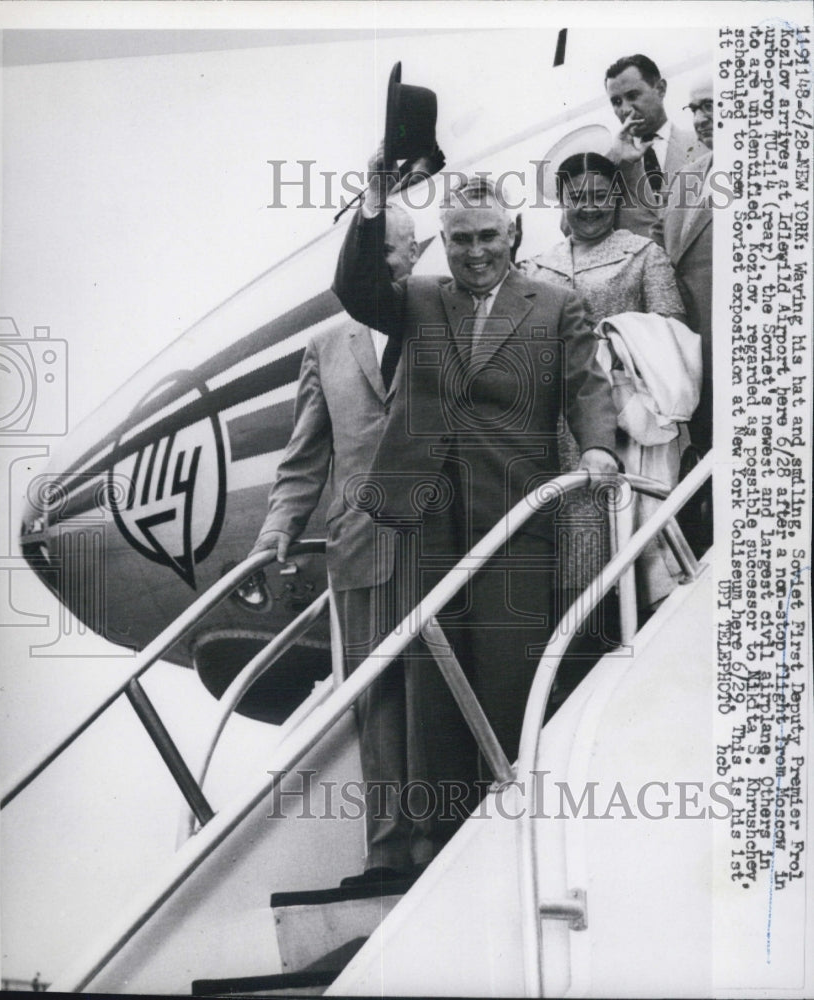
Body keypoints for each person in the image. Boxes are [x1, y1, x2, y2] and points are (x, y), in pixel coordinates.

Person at [333, 153, 619, 869]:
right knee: (432, 686)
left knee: (508, 677)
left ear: (513, 234)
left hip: (515, 519)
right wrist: (374, 197)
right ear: (444, 242)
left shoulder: (554, 304)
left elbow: (586, 385)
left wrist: (597, 449)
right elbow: (355, 287)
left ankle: (510, 842)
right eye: (460, 239)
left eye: (488, 235)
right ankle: (440, 848)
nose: (476, 251)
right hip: (427, 517)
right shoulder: (418, 298)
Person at [249, 204, 420, 885]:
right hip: (359, 543)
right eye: (369, 252)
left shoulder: (440, 321)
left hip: (438, 536)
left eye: (394, 250)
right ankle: (387, 849)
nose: (383, 263)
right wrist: (276, 531)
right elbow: (304, 458)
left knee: (435, 686)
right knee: (375, 694)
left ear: (416, 254)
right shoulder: (324, 347)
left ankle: (440, 836)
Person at [520, 151, 687, 669]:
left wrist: (612, 343)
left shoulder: (643, 253)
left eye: (600, 196)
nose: (589, 207)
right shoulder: (537, 264)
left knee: (614, 537)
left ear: (617, 198)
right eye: (578, 197)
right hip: (550, 424)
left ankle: (622, 651)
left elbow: (672, 332)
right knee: (558, 541)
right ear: (562, 200)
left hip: (621, 422)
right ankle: (568, 663)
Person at [662, 77, 714, 455]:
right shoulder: (686, 177)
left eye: (710, 106)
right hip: (692, 356)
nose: (699, 119)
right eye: (694, 109)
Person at [605, 54, 707, 239]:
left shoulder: (705, 146)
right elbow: (572, 229)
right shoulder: (610, 163)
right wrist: (615, 163)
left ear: (660, 89)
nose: (625, 109)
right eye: (616, 102)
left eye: (632, 96)